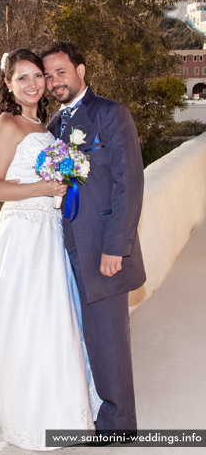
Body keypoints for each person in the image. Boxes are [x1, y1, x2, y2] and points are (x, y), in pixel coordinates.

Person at [0, 49, 96, 450]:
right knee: (28, 326)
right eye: (22, 78)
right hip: (23, 237)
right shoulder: (7, 124)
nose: (32, 84)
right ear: (9, 84)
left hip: (49, 235)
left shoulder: (46, 128)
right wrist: (44, 188)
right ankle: (31, 423)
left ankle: (63, 416)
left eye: (37, 77)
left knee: (55, 324)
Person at [41, 41, 145, 435]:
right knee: (88, 340)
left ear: (81, 71)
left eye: (60, 72)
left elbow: (129, 183)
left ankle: (119, 425)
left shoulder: (110, 114)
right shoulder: (54, 125)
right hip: (67, 247)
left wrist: (115, 247)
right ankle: (98, 413)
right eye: (48, 76)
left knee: (108, 339)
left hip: (102, 248)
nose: (54, 82)